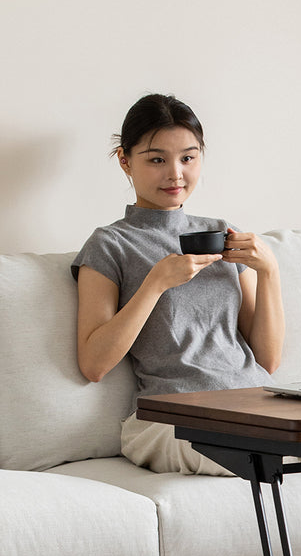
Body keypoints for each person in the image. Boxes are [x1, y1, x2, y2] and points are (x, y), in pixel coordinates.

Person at [72, 93, 285, 474]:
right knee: (257, 453)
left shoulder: (221, 233)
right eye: (157, 159)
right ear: (125, 160)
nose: (176, 174)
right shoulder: (110, 244)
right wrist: (154, 284)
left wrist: (269, 272)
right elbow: (94, 364)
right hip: (168, 418)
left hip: (250, 407)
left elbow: (267, 361)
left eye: (188, 157)